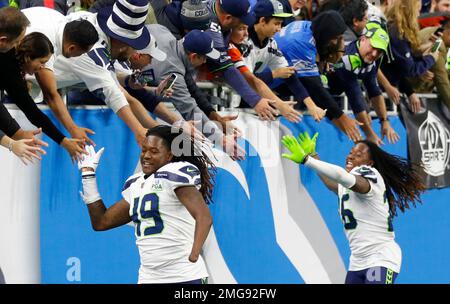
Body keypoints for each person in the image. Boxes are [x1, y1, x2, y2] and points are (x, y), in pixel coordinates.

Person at [281, 131, 426, 284]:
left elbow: (342, 177)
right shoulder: (348, 184)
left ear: (369, 163)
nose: (350, 156)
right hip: (357, 261)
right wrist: (314, 155)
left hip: (380, 257)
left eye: (358, 155)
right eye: (351, 153)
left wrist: (307, 160)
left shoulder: (369, 175)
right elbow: (332, 183)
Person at [77, 125, 215, 284]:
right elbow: (101, 222)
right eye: (144, 150)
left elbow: (204, 217)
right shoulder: (135, 183)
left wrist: (194, 254)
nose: (146, 156)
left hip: (184, 275)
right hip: (149, 277)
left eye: (154, 151)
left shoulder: (175, 173)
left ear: (170, 155)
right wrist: (88, 175)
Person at [51, 0, 160, 146]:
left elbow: (116, 79)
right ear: (123, 44)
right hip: (27, 78)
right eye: (135, 46)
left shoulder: (91, 22)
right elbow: (119, 96)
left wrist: (129, 81)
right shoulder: (92, 53)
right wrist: (139, 130)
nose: (134, 52)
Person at [127, 27, 245, 159]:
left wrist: (214, 116)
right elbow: (190, 110)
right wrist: (220, 140)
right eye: (204, 58)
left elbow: (191, 87)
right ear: (193, 56)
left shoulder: (163, 31)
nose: (205, 62)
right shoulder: (172, 72)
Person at [274, 10, 364, 141]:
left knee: (321, 89)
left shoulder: (308, 26)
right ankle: (352, 135)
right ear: (325, 33)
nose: (335, 42)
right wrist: (343, 117)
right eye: (334, 38)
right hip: (272, 82)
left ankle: (351, 134)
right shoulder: (301, 44)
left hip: (282, 71)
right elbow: (317, 90)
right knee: (320, 90)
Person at [0, 31, 85, 161]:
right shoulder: (8, 68)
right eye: (42, 61)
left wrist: (17, 133)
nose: (42, 67)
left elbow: (32, 112)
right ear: (29, 57)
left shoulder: (11, 68)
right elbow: (33, 113)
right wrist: (12, 142)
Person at [22, 7, 99, 146]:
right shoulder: (46, 43)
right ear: (72, 48)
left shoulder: (58, 21)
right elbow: (51, 95)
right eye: (81, 53)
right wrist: (73, 129)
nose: (80, 57)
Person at [240, 0, 326, 121]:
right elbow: (246, 80)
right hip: (227, 99)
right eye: (276, 24)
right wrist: (274, 76)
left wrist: (312, 106)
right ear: (262, 21)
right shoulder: (243, 40)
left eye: (281, 24)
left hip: (251, 97)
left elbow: (289, 74)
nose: (279, 29)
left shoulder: (271, 43)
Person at [326, 23, 400, 145]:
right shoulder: (349, 60)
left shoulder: (375, 58)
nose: (375, 54)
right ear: (363, 39)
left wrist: (384, 121)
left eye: (380, 51)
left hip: (333, 93)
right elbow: (356, 100)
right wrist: (370, 134)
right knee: (358, 135)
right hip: (317, 92)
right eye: (373, 47)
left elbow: (374, 89)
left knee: (361, 133)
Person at [381, 0, 439, 113]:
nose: (418, 14)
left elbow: (398, 66)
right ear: (409, 11)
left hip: (393, 90)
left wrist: (410, 92)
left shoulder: (394, 28)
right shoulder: (397, 33)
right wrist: (430, 59)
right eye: (417, 10)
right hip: (384, 94)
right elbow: (410, 70)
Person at [409, 19, 450, 109]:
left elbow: (447, 70)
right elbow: (441, 80)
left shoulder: (438, 33)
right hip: (408, 92)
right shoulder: (438, 43)